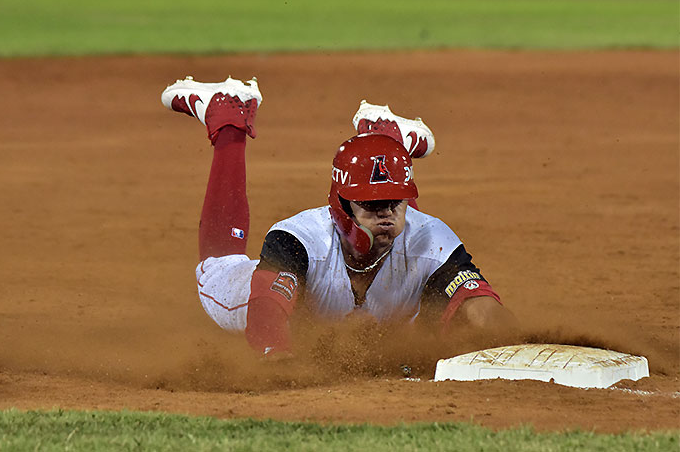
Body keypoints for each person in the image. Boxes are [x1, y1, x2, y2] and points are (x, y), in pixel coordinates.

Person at [161, 76, 516, 357]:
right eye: (372, 206)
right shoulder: (299, 240)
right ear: (343, 206)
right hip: (263, 298)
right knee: (216, 269)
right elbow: (265, 314)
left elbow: (479, 307)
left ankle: (384, 140)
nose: (387, 214)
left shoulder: (431, 240)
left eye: (396, 202)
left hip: (378, 303)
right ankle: (227, 120)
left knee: (411, 288)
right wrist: (279, 358)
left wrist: (518, 344)